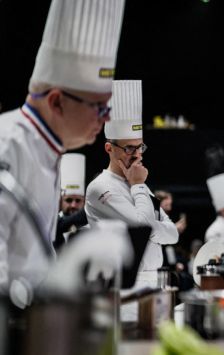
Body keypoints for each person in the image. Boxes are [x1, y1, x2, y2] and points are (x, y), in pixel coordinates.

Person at [0, 0, 125, 305]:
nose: (106, 117)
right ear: (56, 102)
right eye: (98, 107)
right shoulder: (7, 144)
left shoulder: (47, 149)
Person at [85, 80, 179, 296]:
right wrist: (138, 185)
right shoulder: (99, 188)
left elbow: (173, 234)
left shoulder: (141, 188)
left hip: (154, 280)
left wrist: (151, 229)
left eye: (140, 147)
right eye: (129, 148)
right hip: (120, 286)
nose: (137, 155)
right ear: (109, 148)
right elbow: (142, 226)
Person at [54, 153, 89, 250]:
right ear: (60, 201)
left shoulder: (92, 229)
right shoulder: (53, 225)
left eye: (78, 200)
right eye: (68, 200)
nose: (73, 205)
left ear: (85, 201)